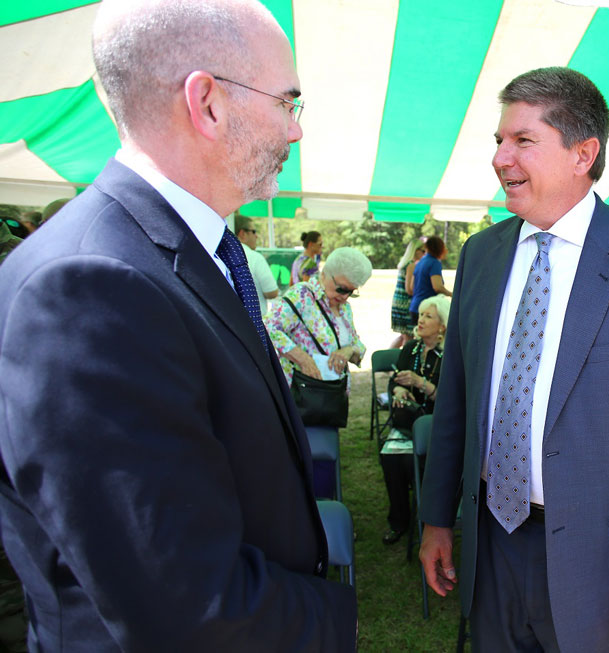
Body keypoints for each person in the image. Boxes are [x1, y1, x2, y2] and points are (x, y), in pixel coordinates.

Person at [0, 0, 357, 649]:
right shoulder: (88, 289)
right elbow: (186, 604)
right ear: (208, 103)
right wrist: (335, 616)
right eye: (288, 102)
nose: (296, 130)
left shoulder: (184, 253)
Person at [419, 67, 609, 653]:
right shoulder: (481, 254)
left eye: (522, 141)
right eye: (499, 141)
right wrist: (436, 519)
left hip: (602, 566)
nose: (500, 158)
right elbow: (456, 399)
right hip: (493, 544)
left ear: (584, 153)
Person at [381, 295, 449, 545]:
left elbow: (450, 400)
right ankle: (399, 522)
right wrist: (400, 391)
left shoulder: (450, 354)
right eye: (420, 315)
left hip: (436, 426)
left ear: (442, 325)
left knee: (412, 462)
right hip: (406, 422)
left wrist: (421, 383)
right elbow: (394, 380)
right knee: (390, 457)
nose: (420, 320)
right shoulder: (411, 348)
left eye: (428, 316)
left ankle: (427, 519)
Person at [267, 247, 370, 386]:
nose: (345, 297)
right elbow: (269, 327)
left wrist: (350, 350)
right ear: (324, 275)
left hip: (334, 393)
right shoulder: (302, 295)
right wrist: (304, 360)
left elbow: (357, 344)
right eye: (341, 289)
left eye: (351, 292)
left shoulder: (345, 308)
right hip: (302, 392)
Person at [234, 214, 278, 314]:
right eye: (253, 231)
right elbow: (272, 292)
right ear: (242, 233)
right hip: (254, 322)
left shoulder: (220, 255)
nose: (256, 236)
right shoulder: (255, 257)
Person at [390, 238, 425, 348]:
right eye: (423, 251)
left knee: (403, 336)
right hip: (405, 304)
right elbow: (409, 289)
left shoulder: (404, 263)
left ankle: (388, 356)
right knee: (408, 337)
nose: (424, 254)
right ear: (416, 250)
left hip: (398, 302)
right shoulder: (411, 265)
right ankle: (403, 362)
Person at [409, 235, 451, 324]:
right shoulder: (434, 262)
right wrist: (452, 294)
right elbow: (437, 287)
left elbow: (411, 287)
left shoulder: (420, 262)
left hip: (414, 307)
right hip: (427, 309)